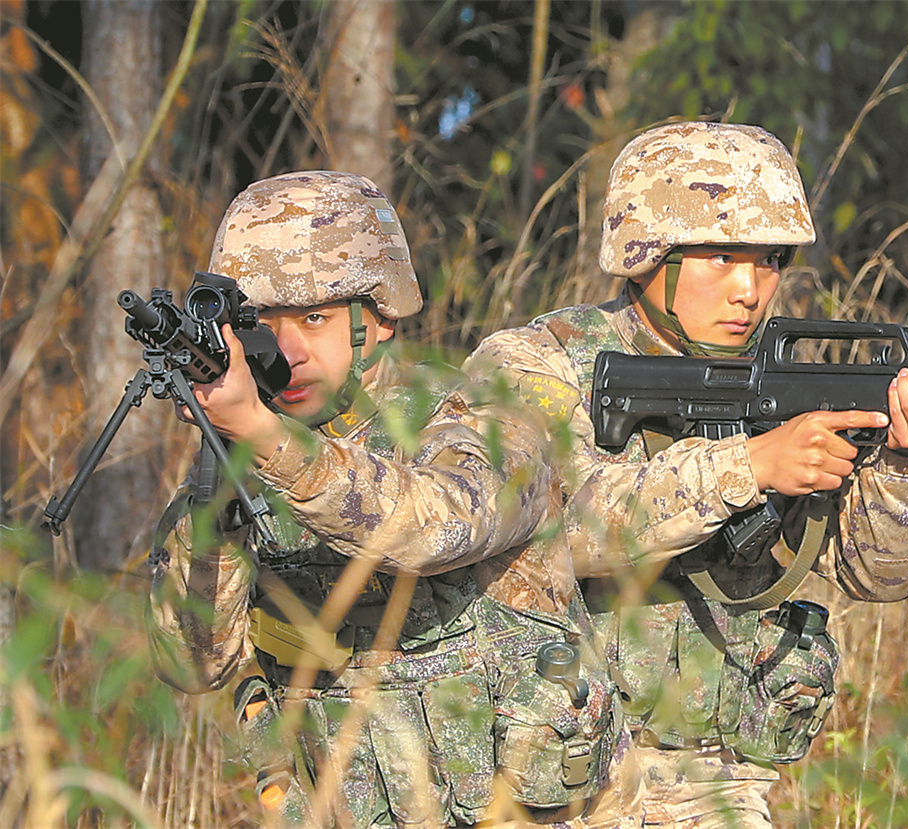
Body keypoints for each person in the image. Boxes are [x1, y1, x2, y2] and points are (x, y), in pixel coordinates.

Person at [464, 122, 908, 828]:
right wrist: (752, 465)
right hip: (548, 782)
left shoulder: (787, 376)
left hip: (715, 779)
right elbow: (550, 526)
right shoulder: (536, 364)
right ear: (645, 254)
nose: (750, 289)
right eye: (723, 256)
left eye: (768, 260)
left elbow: (880, 578)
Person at [146, 171, 641, 828]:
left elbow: (429, 526)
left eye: (315, 318)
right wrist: (221, 476)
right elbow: (190, 662)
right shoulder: (253, 453)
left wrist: (266, 440)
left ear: (379, 317)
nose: (284, 351)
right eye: (260, 323)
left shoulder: (486, 417)